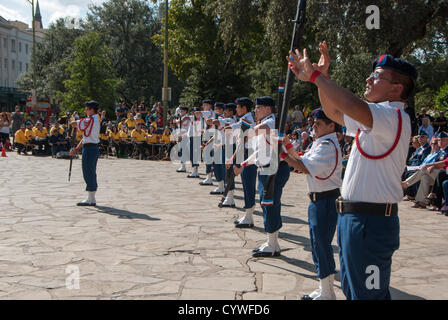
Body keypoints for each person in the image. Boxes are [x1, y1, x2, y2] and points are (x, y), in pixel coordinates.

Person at [287, 42, 416, 299]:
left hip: (372, 221)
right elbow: (335, 111)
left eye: (377, 76)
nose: (369, 79)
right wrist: (320, 80)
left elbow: (351, 104)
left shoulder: (392, 117)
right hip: (356, 218)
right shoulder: (377, 117)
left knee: (368, 295)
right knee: (354, 291)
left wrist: (316, 77)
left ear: (397, 88)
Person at [281, 108, 342, 300]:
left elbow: (304, 167)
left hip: (325, 199)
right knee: (317, 244)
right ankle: (324, 287)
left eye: (318, 124)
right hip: (319, 199)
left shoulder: (327, 145)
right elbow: (301, 160)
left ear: (331, 125)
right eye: (313, 124)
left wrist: (282, 154)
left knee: (321, 245)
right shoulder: (321, 143)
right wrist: (286, 144)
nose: (314, 127)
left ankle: (327, 291)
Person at [234, 96, 290, 257]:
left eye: (258, 108)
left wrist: (247, 134)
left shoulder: (272, 121)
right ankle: (272, 242)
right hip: (265, 169)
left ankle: (272, 244)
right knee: (267, 204)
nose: (256, 111)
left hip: (274, 170)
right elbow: (259, 153)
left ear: (267, 109)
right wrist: (243, 164)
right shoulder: (264, 123)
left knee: (270, 204)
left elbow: (264, 128)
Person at [231, 98, 257, 227]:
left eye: (238, 107)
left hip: (249, 153)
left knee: (248, 185)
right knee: (247, 185)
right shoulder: (246, 119)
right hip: (245, 153)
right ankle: (248, 215)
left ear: (244, 108)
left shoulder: (247, 120)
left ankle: (249, 217)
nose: (236, 109)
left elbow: (239, 133)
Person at [70, 101, 101, 206]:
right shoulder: (94, 119)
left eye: (87, 109)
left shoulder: (91, 119)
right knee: (88, 171)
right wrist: (77, 148)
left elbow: (74, 124)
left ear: (92, 109)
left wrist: (72, 119)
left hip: (90, 149)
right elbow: (85, 138)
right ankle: (91, 197)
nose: (85, 111)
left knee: (89, 171)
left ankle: (91, 197)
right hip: (90, 147)